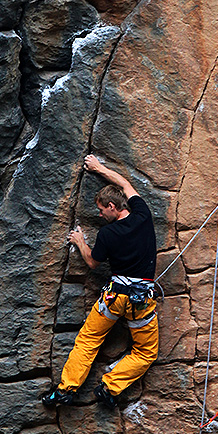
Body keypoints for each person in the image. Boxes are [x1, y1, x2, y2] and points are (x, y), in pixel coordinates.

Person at [42, 155, 158, 409]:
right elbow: (126, 185)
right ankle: (110, 388)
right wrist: (99, 168)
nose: (100, 213)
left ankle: (65, 391)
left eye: (101, 209)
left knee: (88, 341)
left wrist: (80, 242)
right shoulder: (143, 215)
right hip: (141, 301)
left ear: (112, 207)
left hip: (113, 298)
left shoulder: (107, 234)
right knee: (145, 352)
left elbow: (93, 263)